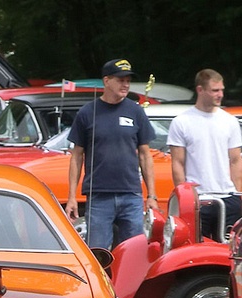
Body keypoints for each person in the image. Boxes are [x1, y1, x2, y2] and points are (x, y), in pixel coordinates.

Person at [65, 58, 157, 250]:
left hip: (131, 194)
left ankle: (131, 282)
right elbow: (76, 157)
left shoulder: (136, 111)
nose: (125, 84)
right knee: (98, 252)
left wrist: (152, 195)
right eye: (120, 80)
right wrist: (71, 196)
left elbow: (145, 155)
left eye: (128, 80)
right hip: (99, 195)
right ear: (107, 81)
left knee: (134, 251)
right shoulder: (87, 113)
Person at [167, 68, 242, 241]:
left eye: (222, 90)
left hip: (227, 196)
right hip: (198, 198)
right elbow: (177, 162)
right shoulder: (182, 122)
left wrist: (238, 195)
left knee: (229, 248)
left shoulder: (229, 121)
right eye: (215, 90)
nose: (220, 94)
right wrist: (183, 196)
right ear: (200, 90)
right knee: (195, 246)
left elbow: (236, 160)